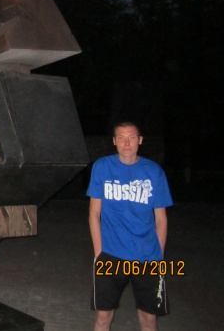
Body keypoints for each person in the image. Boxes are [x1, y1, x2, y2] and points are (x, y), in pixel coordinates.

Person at [87, 121, 173, 331]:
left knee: (148, 319)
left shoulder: (154, 171)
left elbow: (161, 219)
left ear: (140, 140)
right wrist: (99, 253)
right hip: (110, 254)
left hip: (147, 257)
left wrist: (159, 256)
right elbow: (94, 213)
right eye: (121, 138)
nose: (127, 143)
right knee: (103, 317)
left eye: (132, 137)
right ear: (114, 141)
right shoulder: (102, 167)